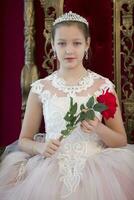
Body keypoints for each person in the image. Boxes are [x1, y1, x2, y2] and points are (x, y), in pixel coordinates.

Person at [0, 11, 134, 200]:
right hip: (49, 172)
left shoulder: (103, 86)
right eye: (62, 43)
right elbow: (24, 140)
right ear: (53, 45)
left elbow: (120, 140)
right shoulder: (41, 89)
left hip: (97, 172)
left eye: (76, 43)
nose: (69, 50)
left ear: (87, 44)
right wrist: (39, 148)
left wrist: (98, 128)